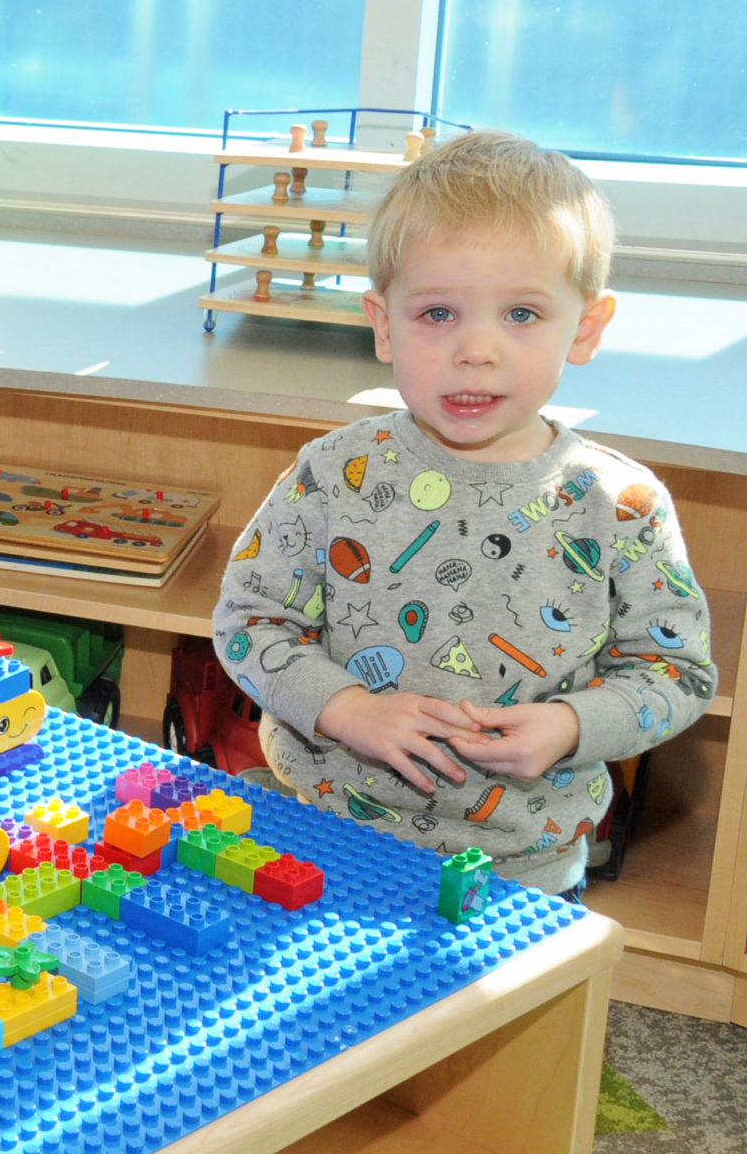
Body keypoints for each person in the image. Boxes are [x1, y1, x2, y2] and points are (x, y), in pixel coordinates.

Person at [211, 129, 715, 897]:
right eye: (439, 314)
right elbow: (249, 620)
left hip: (527, 869)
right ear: (384, 323)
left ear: (584, 328)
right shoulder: (334, 472)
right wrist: (347, 709)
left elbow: (675, 671)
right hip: (323, 836)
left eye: (521, 314)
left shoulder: (621, 506)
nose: (476, 350)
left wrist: (573, 726)